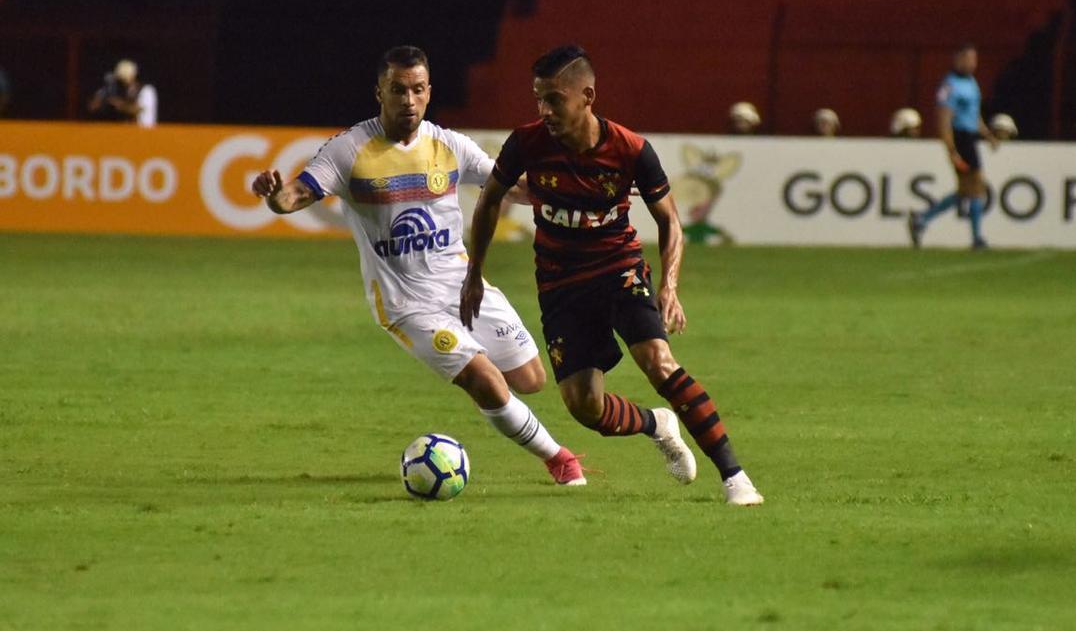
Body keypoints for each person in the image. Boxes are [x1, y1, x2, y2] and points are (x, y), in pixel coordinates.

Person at [251, 46, 586, 486]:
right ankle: (560, 459)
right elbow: (295, 196)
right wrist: (275, 196)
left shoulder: (449, 146)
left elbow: (511, 188)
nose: (408, 100)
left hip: (464, 287)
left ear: (429, 93)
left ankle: (486, 389)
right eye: (398, 90)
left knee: (530, 379)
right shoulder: (349, 150)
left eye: (417, 90)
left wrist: (576, 192)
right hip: (406, 303)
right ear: (380, 93)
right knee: (485, 379)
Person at [460, 44, 764, 506]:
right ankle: (656, 424)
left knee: (659, 363)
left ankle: (735, 477)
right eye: (538, 98)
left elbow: (670, 221)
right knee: (585, 407)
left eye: (554, 99)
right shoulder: (526, 142)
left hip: (617, 268)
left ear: (587, 96)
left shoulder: (631, 149)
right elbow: (488, 202)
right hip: (560, 284)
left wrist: (669, 285)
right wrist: (474, 274)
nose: (544, 110)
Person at [907, 44, 998, 250]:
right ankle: (976, 239)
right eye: (969, 59)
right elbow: (944, 117)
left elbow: (974, 115)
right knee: (976, 186)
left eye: (975, 59)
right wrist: (950, 148)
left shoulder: (972, 83)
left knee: (967, 191)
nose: (973, 64)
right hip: (960, 139)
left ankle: (922, 219)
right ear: (958, 59)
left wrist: (987, 134)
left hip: (970, 138)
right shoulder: (949, 85)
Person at [87, 59, 157, 127]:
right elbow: (93, 107)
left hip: (145, 133)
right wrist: (101, 99)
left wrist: (120, 104)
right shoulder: (122, 91)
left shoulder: (147, 90)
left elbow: (138, 109)